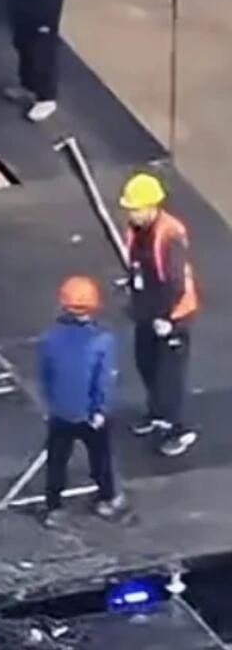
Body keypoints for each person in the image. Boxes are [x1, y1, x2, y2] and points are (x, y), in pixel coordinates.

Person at [36, 275, 126, 522]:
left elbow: (46, 375)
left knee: (57, 460)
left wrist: (50, 405)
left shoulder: (50, 338)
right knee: (100, 457)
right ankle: (107, 498)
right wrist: (99, 409)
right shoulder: (102, 340)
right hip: (89, 414)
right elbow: (102, 379)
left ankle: (53, 506)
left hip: (60, 412)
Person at [122, 171, 199, 456]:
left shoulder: (170, 235)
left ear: (152, 207)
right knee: (146, 363)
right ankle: (156, 412)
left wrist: (166, 319)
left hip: (172, 315)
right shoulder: (137, 231)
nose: (131, 213)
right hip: (147, 310)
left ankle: (178, 428)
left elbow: (175, 283)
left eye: (136, 208)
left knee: (170, 375)